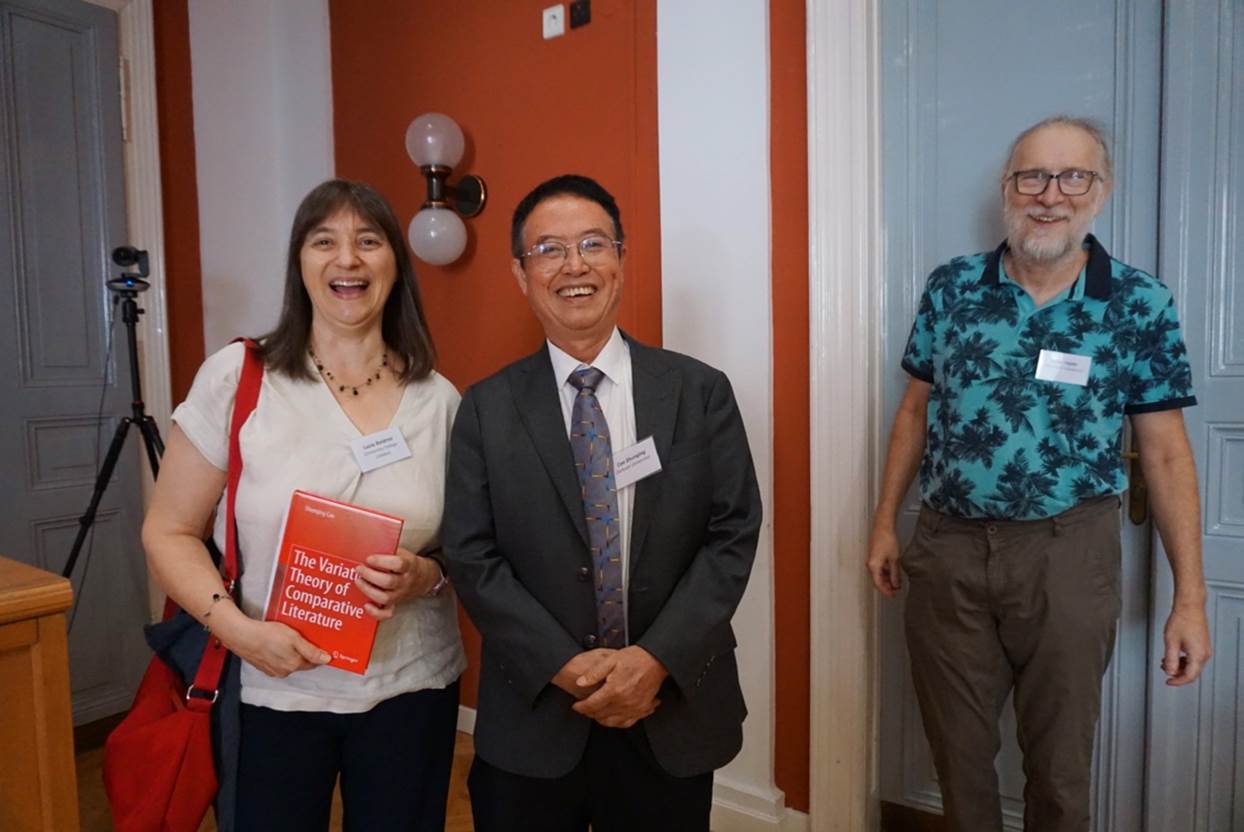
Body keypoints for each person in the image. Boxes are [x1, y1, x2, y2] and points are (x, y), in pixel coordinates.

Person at [866, 116, 1213, 831]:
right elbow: (913, 412)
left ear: (1101, 191)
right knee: (958, 757)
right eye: (1032, 177)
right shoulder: (952, 287)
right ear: (1007, 188)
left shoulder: (1139, 301)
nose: (1050, 195)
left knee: (1059, 766)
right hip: (948, 548)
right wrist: (884, 523)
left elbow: (1166, 453)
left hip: (1068, 552)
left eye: (1073, 176)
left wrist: (1191, 597)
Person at [142, 179, 465, 830]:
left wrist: (425, 575)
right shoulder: (238, 377)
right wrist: (240, 633)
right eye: (324, 241)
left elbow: (467, 548)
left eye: (368, 241)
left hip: (413, 687)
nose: (347, 259)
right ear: (299, 262)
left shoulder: (439, 399)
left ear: (395, 264)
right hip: (271, 690)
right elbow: (168, 530)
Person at [442, 174, 762, 832]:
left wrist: (654, 660)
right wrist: (563, 665)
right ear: (520, 273)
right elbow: (472, 555)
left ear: (620, 258)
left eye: (593, 243)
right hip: (534, 715)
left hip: (670, 710)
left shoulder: (699, 392)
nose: (575, 265)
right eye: (549, 249)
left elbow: (732, 533)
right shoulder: (486, 408)